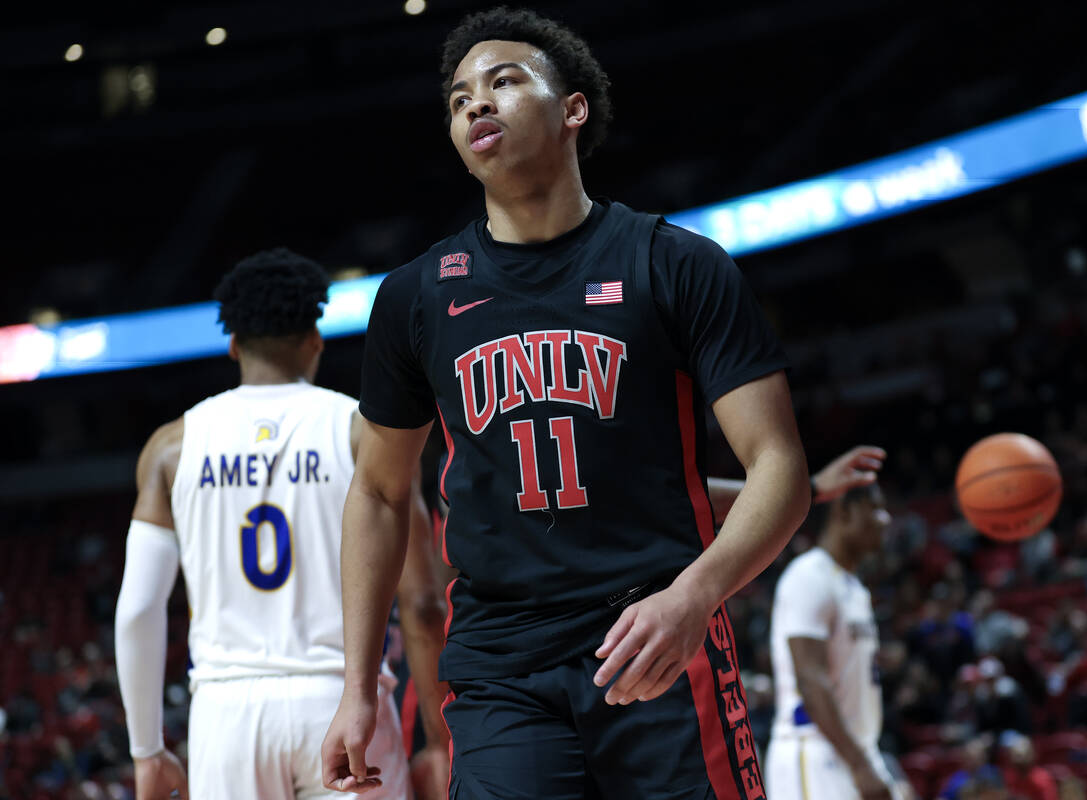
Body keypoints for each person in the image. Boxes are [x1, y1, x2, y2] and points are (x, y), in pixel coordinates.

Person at [323, 7, 821, 798]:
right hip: (500, 667)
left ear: (573, 109)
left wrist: (697, 596)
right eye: (458, 100)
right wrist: (357, 686)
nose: (476, 105)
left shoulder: (677, 265)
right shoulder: (416, 296)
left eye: (503, 82)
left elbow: (779, 468)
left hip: (655, 635)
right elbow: (381, 491)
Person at [114, 249, 449, 800]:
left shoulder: (170, 448)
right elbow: (424, 605)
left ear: (233, 344)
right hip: (343, 701)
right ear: (315, 340)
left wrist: (147, 752)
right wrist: (440, 741)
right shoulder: (364, 435)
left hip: (226, 715)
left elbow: (138, 610)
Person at [764, 483, 916, 800]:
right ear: (843, 511)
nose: (885, 519)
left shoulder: (853, 587)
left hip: (854, 749)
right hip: (814, 750)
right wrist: (860, 765)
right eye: (874, 508)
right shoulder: (809, 575)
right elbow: (810, 677)